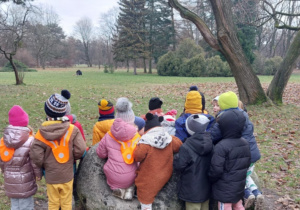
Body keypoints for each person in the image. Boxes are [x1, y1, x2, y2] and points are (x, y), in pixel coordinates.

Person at [30, 92, 87, 210]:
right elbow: (81, 149)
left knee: (53, 202)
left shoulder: (41, 133)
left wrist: (44, 164)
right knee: (66, 202)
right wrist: (72, 158)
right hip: (67, 174)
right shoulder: (73, 129)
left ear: (47, 112)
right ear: (65, 112)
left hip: (51, 176)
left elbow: (36, 155)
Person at [210, 91, 262, 209]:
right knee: (244, 175)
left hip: (237, 152)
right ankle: (256, 192)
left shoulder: (225, 118)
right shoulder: (244, 114)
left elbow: (214, 135)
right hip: (250, 151)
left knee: (236, 176)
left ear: (223, 105)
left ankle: (248, 194)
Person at [134, 113, 182, 210]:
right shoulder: (168, 138)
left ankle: (146, 207)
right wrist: (170, 136)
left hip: (150, 177)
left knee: (144, 192)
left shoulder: (146, 142)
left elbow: (137, 157)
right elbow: (179, 146)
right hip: (166, 173)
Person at [96, 97, 139, 200]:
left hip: (112, 175)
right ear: (131, 120)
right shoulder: (136, 137)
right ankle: (130, 188)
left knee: (111, 170)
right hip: (131, 175)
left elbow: (100, 153)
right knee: (135, 169)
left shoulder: (109, 135)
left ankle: (116, 188)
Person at [0, 105, 42, 210]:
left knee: (14, 205)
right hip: (25, 180)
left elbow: (2, 161)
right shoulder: (30, 140)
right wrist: (38, 174)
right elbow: (34, 161)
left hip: (10, 180)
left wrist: (4, 171)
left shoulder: (3, 141)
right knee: (26, 205)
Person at [209, 109, 251, 210]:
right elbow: (247, 163)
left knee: (226, 207)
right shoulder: (245, 143)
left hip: (224, 189)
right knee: (238, 205)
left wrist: (210, 179)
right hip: (239, 186)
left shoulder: (221, 146)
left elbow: (216, 170)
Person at [174, 114, 213, 210]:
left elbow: (179, 165)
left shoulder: (186, 146)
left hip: (191, 191)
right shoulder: (210, 142)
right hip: (206, 189)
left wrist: (175, 159)